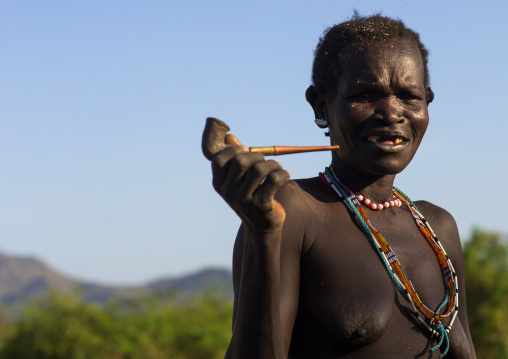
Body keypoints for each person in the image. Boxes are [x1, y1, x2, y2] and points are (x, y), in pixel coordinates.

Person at [202, 13, 476, 358]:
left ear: (427, 102)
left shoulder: (438, 226)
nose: (392, 111)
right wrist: (262, 234)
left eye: (409, 96)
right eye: (365, 94)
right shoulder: (290, 210)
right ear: (321, 106)